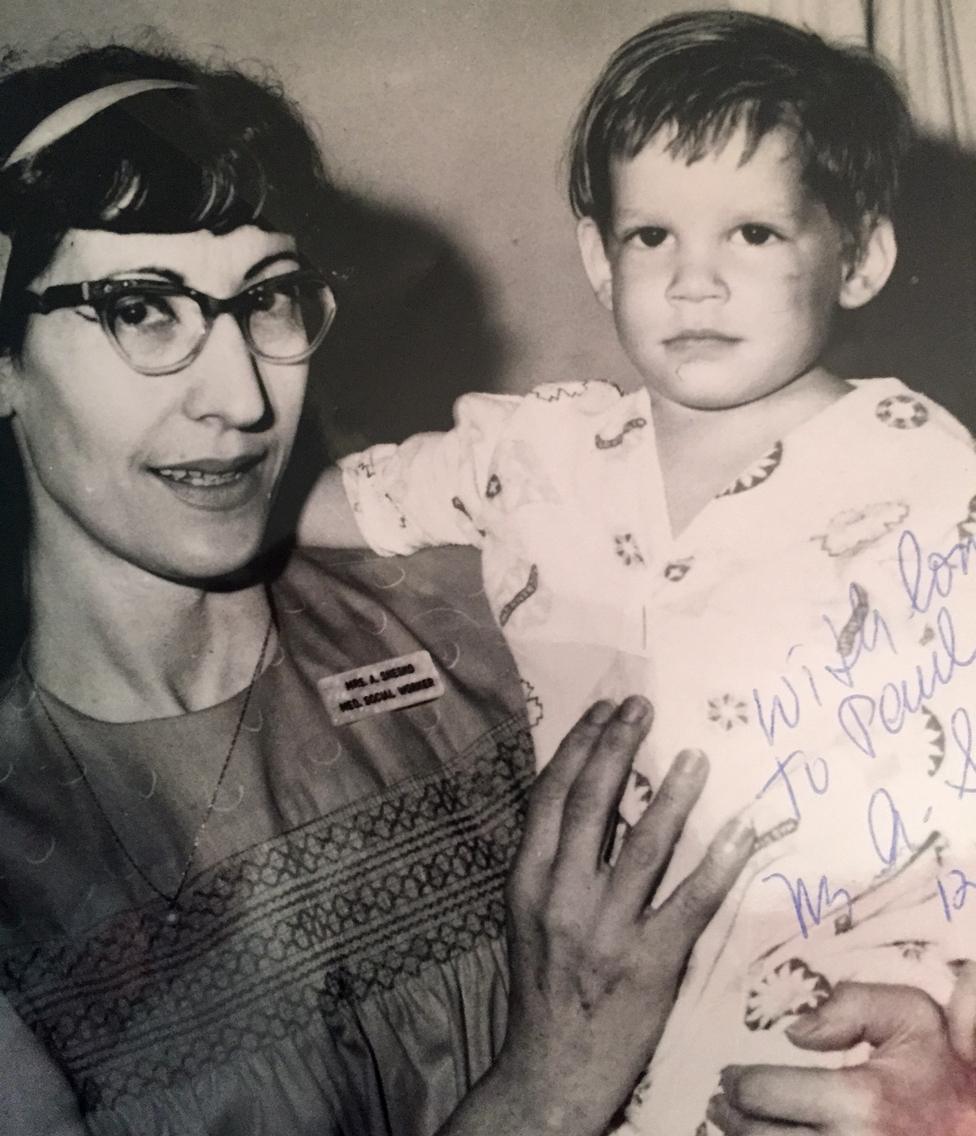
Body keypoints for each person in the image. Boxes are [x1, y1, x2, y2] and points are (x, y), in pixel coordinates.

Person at [0, 42, 768, 1136]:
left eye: (267, 299)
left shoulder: (490, 606)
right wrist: (551, 1082)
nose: (241, 398)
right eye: (141, 308)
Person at [298, 10, 976, 1133]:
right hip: (607, 1017)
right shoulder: (533, 451)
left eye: (752, 234)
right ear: (594, 258)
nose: (693, 281)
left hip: (856, 995)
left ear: (858, 257)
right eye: (650, 235)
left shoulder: (924, 467)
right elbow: (286, 511)